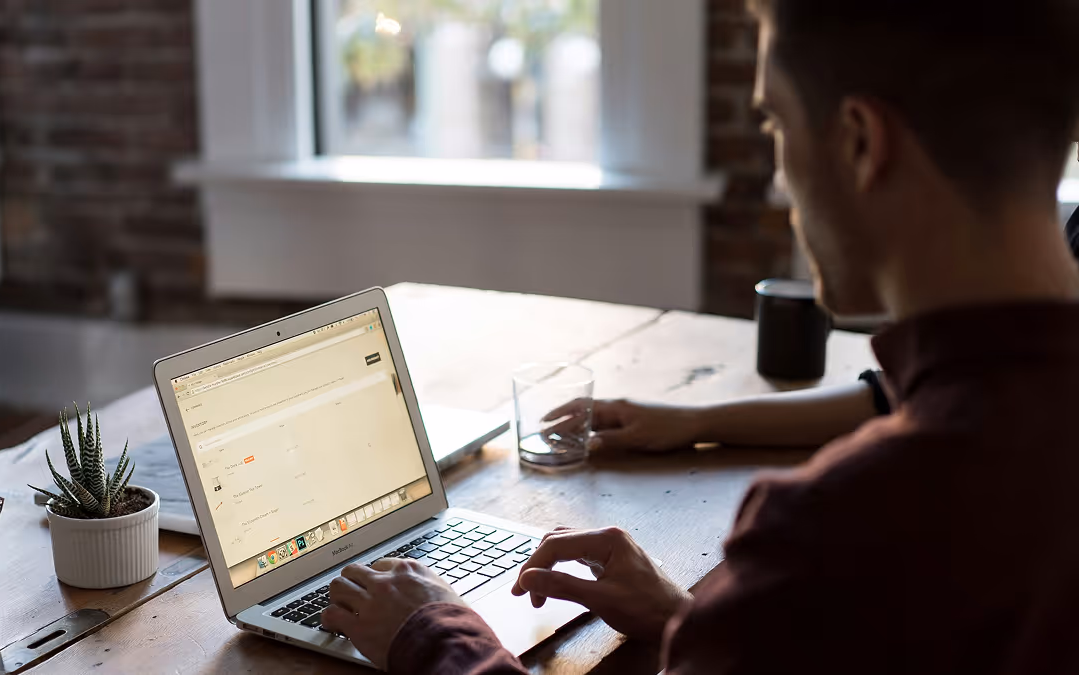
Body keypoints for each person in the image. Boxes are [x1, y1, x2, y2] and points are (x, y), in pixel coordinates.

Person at [318, 1, 1079, 673]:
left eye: (777, 122)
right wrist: (703, 624)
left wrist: (433, 633)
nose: (782, 185)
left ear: (858, 142)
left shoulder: (839, 530)